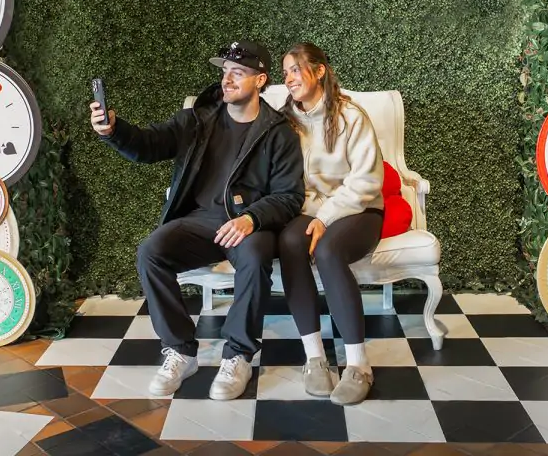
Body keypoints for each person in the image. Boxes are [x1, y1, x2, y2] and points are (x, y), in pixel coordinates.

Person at [90, 40, 304, 401]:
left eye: (238, 72)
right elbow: (149, 144)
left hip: (248, 224)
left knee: (254, 259)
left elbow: (289, 196)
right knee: (151, 251)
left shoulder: (278, 132)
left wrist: (252, 218)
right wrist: (114, 130)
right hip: (200, 221)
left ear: (261, 80)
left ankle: (238, 355)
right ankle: (181, 351)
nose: (227, 79)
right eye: (224, 71)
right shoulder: (197, 120)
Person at [279, 43, 384, 406]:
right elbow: (284, 184)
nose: (289, 78)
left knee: (328, 251)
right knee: (290, 244)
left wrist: (324, 217)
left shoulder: (351, 116)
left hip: (360, 211)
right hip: (307, 210)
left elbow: (366, 182)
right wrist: (312, 214)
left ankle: (358, 365)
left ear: (319, 70)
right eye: (285, 73)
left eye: (295, 69)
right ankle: (315, 358)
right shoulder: (284, 122)